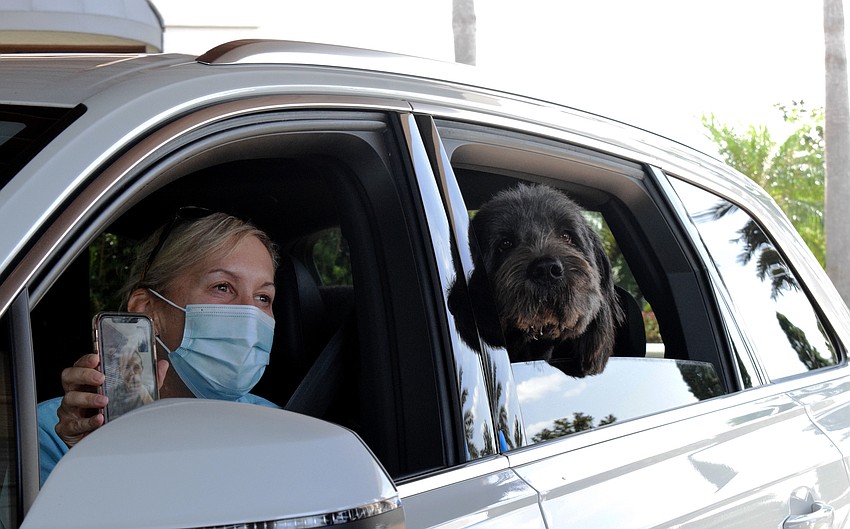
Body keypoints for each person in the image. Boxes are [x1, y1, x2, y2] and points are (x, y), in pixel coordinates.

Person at [37, 209, 279, 485]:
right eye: (222, 287)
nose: (249, 315)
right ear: (148, 309)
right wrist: (93, 459)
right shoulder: (53, 430)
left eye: (263, 297)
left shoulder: (279, 427)